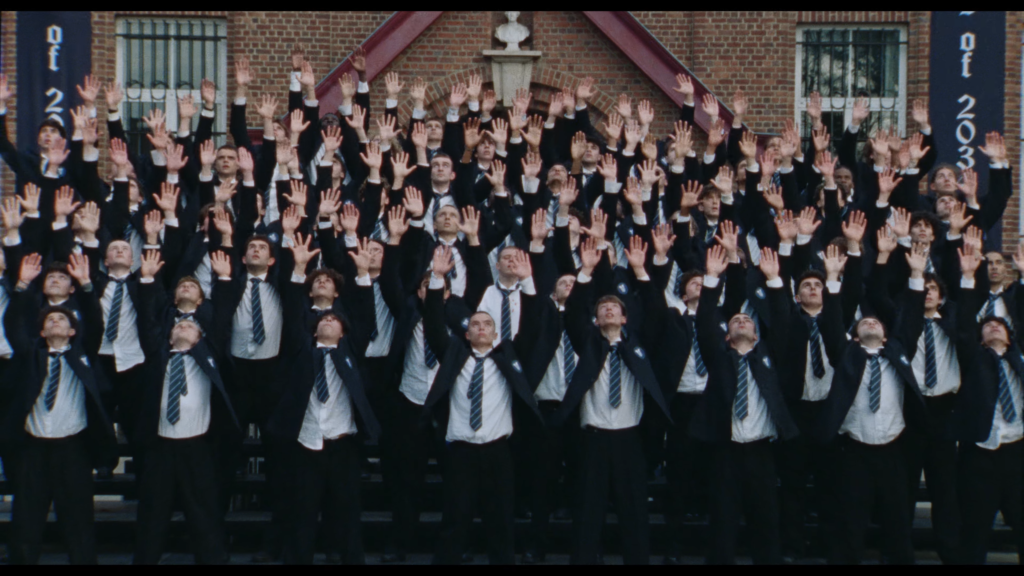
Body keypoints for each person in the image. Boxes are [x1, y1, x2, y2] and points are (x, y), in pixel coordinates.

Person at [554, 236, 671, 565]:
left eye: (615, 308)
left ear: (624, 319)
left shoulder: (638, 345)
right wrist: (586, 272)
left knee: (634, 514)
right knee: (587, 514)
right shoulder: (588, 343)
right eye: (603, 308)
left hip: (630, 439)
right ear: (597, 319)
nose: (608, 309)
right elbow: (575, 312)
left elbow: (658, 316)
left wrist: (640, 270)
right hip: (592, 439)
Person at [422, 245, 541, 565]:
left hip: (498, 452)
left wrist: (528, 283)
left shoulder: (508, 358)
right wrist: (436, 277)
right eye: (474, 324)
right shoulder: (454, 356)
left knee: (501, 526)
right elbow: (433, 324)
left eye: (487, 324)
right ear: (467, 331)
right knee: (454, 522)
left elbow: (530, 330)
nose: (481, 328)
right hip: (460, 450)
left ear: (496, 331)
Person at [269, 234, 381, 565]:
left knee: (347, 512)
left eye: (334, 319)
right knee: (302, 511)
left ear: (344, 331)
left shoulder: (350, 350)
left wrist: (363, 275)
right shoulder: (302, 348)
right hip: (306, 441)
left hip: (342, 440)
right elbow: (291, 310)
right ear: (314, 328)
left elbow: (364, 316)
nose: (328, 320)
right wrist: (299, 266)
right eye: (323, 320)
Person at [817, 244, 929, 565]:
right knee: (850, 522)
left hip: (894, 449)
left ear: (885, 336)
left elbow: (911, 323)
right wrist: (833, 278)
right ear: (855, 335)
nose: (871, 323)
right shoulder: (847, 354)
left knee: (897, 521)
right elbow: (831, 323)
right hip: (854, 450)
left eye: (877, 323)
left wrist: (918, 275)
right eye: (864, 323)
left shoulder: (897, 351)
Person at [2, 253, 115, 565]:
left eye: (62, 319)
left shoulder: (83, 355)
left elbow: (94, 321)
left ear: (72, 331)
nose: (55, 320)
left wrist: (87, 284)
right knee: (26, 522)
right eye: (49, 319)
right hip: (33, 449)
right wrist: (23, 284)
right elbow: (13, 324)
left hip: (73, 448)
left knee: (79, 523)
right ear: (41, 332)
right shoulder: (30, 356)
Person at [691, 245, 797, 565]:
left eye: (746, 320)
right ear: (727, 336)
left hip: (762, 451)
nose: (740, 321)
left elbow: (783, 321)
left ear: (756, 333)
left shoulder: (769, 357)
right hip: (726, 450)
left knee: (766, 522)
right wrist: (711, 278)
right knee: (722, 523)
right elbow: (705, 323)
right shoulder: (719, 358)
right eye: (735, 320)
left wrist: (775, 279)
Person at [132, 250, 239, 565]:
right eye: (178, 327)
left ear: (201, 335)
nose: (182, 328)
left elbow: (222, 317)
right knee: (153, 510)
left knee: (203, 510)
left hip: (197, 445)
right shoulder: (157, 355)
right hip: (161, 444)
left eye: (189, 328)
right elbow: (148, 318)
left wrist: (224, 278)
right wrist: (148, 280)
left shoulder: (210, 353)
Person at [954, 242, 1023, 565]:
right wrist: (968, 277)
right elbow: (965, 325)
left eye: (1000, 325)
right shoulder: (974, 360)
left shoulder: (1019, 361)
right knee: (975, 529)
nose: (994, 325)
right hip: (980, 452)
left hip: (1018, 450)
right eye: (988, 326)